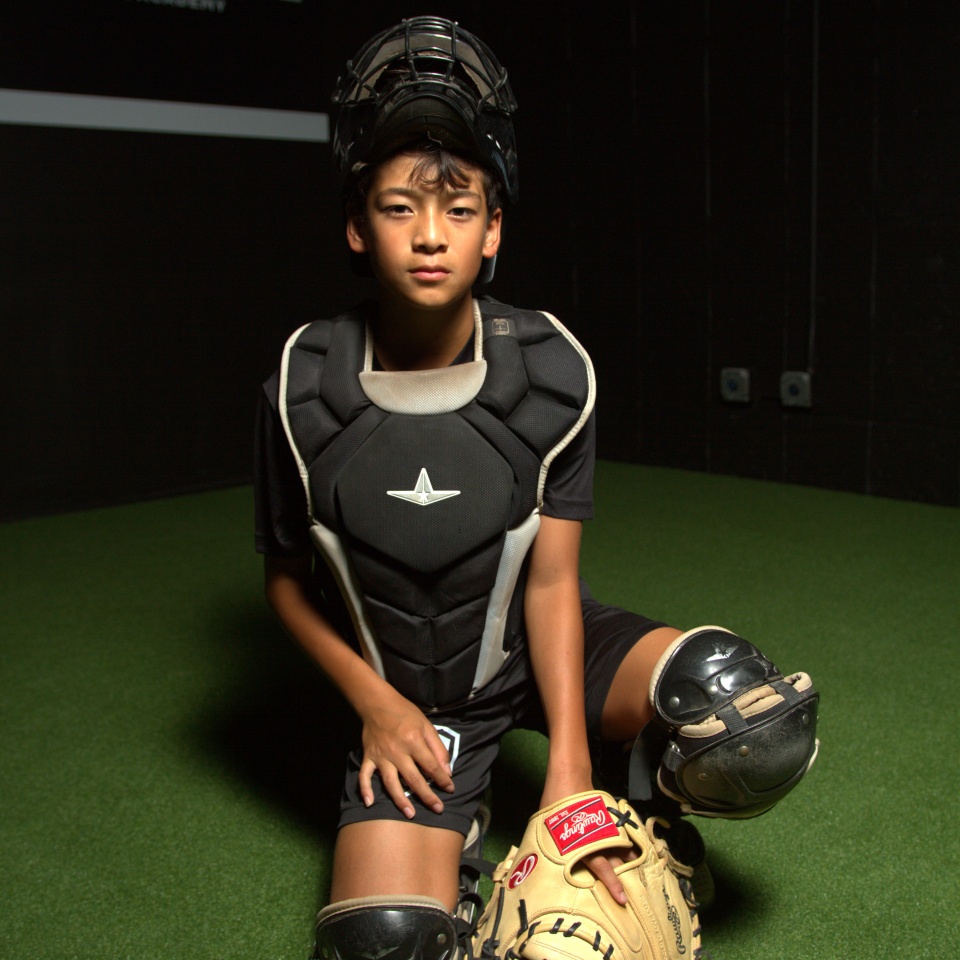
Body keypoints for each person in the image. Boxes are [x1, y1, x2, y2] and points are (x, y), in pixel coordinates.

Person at [254, 16, 819, 958]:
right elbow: (283, 582)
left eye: (459, 208)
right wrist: (377, 708)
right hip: (413, 694)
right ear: (357, 224)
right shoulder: (299, 384)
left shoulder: (551, 372)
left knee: (741, 718)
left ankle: (650, 833)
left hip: (535, 640)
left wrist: (568, 776)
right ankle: (457, 840)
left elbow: (553, 582)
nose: (429, 234)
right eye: (398, 208)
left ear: (494, 229)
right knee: (381, 944)